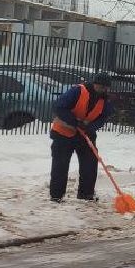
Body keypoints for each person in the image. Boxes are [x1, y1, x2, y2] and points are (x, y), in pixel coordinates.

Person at [50, 73, 114, 202]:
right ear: (95, 84)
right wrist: (75, 122)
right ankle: (56, 195)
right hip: (63, 133)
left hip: (85, 135)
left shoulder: (105, 100)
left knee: (90, 164)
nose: (104, 90)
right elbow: (59, 107)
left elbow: (103, 117)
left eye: (107, 88)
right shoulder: (78, 91)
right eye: (101, 87)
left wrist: (91, 127)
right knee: (60, 165)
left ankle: (86, 194)